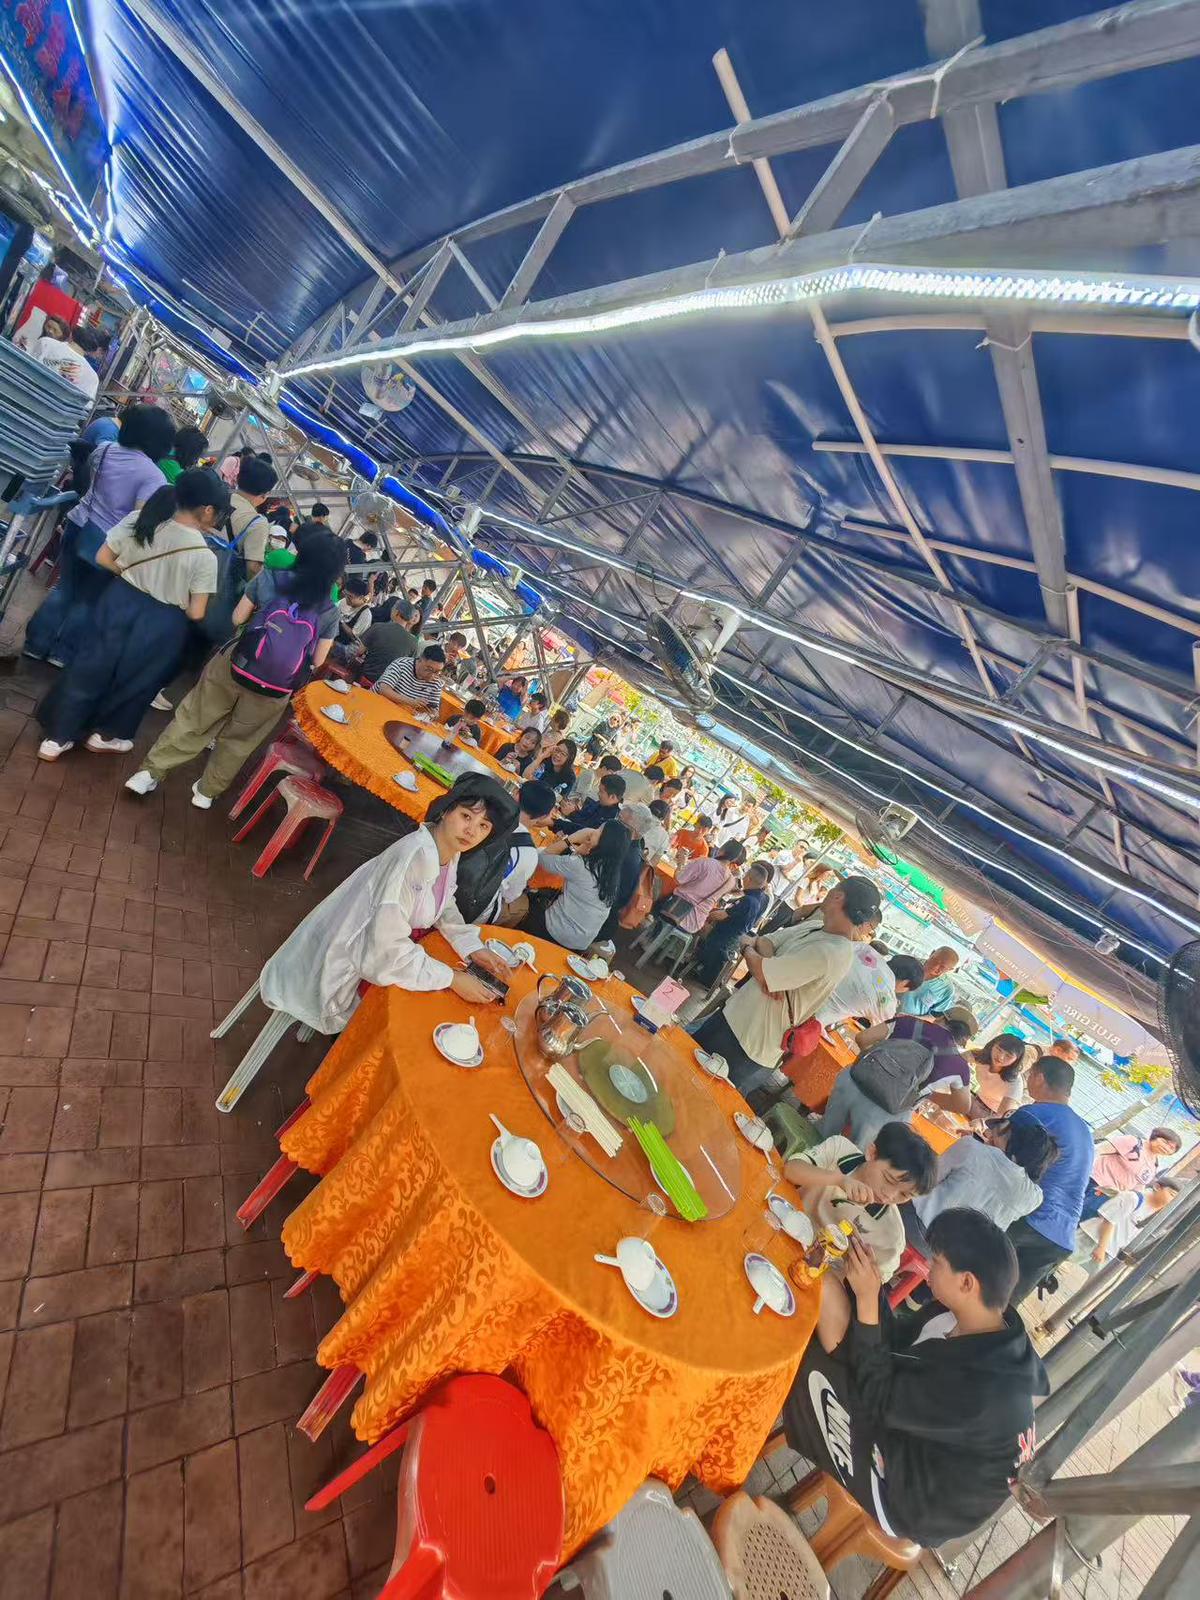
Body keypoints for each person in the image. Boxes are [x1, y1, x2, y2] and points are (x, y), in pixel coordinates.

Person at [783, 1208, 1048, 1548]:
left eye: (936, 1261)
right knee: (830, 1293)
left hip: (906, 1498)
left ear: (967, 1282)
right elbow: (895, 1343)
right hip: (909, 1433)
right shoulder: (968, 1317)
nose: (928, 1266)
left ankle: (740, 1417)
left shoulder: (984, 1392)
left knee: (810, 1357)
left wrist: (867, 1301)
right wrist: (870, 1288)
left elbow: (879, 1398)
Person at [259, 778, 518, 1032]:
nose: (471, 831)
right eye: (466, 816)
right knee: (409, 1023)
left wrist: (472, 946)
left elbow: (443, 901)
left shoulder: (445, 851)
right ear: (446, 810)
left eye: (483, 826)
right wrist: (452, 978)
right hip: (343, 963)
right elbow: (384, 950)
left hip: (374, 952)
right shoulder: (411, 861)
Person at [125, 525, 345, 808]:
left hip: (235, 663)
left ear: (302, 554)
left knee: (194, 719)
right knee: (240, 739)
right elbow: (317, 660)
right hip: (276, 687)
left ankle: (148, 773)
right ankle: (206, 793)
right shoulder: (330, 611)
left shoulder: (271, 578)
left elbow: (238, 617)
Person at [35, 469, 225, 762]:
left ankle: (57, 738)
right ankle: (105, 735)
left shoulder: (141, 520)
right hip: (163, 621)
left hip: (118, 599)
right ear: (208, 509)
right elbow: (196, 611)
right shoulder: (205, 557)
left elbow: (103, 558)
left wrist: (129, 576)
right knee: (137, 679)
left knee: (90, 664)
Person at [691, 877, 882, 1094]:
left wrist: (749, 951)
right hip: (733, 1014)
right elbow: (766, 941)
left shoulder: (833, 952)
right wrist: (772, 970)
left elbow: (761, 967)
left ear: (838, 897)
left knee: (698, 1093)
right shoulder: (816, 927)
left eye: (833, 889)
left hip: (749, 1042)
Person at [24, 402, 175, 666]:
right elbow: (137, 518)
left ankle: (35, 644)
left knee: (64, 588)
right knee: (89, 600)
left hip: (78, 524)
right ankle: (62, 653)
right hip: (109, 543)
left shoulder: (104, 450)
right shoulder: (154, 477)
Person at [785, 1120, 938, 1283]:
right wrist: (839, 1180)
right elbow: (790, 1170)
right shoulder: (840, 1150)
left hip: (812, 1275)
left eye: (905, 1195)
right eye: (888, 1179)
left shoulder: (891, 1236)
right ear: (872, 1153)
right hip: (786, 1227)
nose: (889, 1196)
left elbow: (872, 1285)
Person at [1005, 1057, 1094, 1306]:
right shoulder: (1085, 1130)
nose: (1027, 1079)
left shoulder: (1033, 1114)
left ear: (1039, 1077)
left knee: (969, 1268)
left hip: (1029, 1218)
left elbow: (1001, 1158)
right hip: (1061, 1238)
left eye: (1030, 1074)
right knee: (1005, 1306)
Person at [820, 1007, 976, 1146]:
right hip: (888, 1111)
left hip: (853, 1083)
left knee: (820, 1136)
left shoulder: (907, 1022)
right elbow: (962, 1106)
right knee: (851, 1155)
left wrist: (874, 1066)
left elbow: (862, 1038)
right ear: (963, 1040)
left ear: (942, 1018)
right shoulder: (960, 1067)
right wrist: (927, 1095)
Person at [915, 1116, 1059, 1237]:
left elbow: (927, 1178)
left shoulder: (971, 1148)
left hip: (917, 1224)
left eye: (997, 1131)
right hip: (955, 1255)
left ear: (1009, 1136)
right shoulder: (1033, 1197)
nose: (989, 1134)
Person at [522, 818, 632, 951]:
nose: (593, 831)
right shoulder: (612, 873)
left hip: (555, 932)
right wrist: (581, 849)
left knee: (527, 901)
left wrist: (571, 839)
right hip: (580, 943)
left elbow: (543, 858)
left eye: (599, 830)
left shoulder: (582, 866)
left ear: (605, 841)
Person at [692, 859, 773, 987]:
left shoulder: (748, 900)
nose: (743, 878)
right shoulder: (762, 898)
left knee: (696, 922)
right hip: (734, 940)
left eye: (745, 876)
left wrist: (706, 914)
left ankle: (687, 959)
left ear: (749, 879)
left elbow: (720, 915)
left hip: (721, 939)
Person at [491, 779, 557, 927]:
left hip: (451, 878)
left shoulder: (488, 812)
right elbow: (510, 895)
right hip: (477, 907)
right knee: (522, 904)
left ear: (516, 794)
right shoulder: (529, 854)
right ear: (543, 817)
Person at [1080, 1126, 1182, 1221]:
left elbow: (1138, 1188)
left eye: (1172, 1148)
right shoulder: (1133, 1142)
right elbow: (1098, 1150)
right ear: (1155, 1136)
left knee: (1082, 1216)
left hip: (1108, 1193)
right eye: (1165, 1142)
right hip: (1091, 1179)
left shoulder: (1153, 1166)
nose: (1166, 1148)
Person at [1080, 1176, 1180, 1267]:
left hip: (1110, 1252)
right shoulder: (1133, 1198)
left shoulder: (1158, 1214)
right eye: (1172, 1195)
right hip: (1091, 1240)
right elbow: (1109, 1221)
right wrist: (1101, 1247)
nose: (1173, 1200)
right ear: (1157, 1187)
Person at [816, 949, 925, 1029]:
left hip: (808, 992)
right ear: (905, 983)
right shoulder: (887, 1002)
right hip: (816, 1021)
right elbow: (875, 1033)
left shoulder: (865, 951)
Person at [668, 838, 745, 934]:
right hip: (695, 923)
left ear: (722, 850)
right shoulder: (731, 881)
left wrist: (680, 863)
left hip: (674, 912)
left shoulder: (705, 862)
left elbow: (679, 879)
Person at [225, 455, 278, 580]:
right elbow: (253, 569)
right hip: (217, 578)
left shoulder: (219, 497)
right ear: (264, 495)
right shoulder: (257, 523)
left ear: (238, 478)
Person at [31, 317, 103, 398]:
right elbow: (85, 404)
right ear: (91, 350)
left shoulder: (45, 343)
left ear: (71, 335)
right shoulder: (92, 378)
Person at [374, 644, 446, 717]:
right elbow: (383, 689)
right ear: (420, 659)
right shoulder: (402, 664)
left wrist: (432, 713)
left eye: (437, 672)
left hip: (401, 715)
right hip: (378, 705)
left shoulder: (436, 682)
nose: (432, 675)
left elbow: (434, 711)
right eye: (429, 669)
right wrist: (411, 701)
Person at [969, 1033, 1031, 1117]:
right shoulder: (981, 1056)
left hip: (991, 1116)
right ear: (992, 1046)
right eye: (998, 1049)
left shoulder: (1014, 1082)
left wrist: (982, 1123)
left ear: (1016, 1060)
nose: (1001, 1057)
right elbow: (955, 1059)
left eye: (1008, 1056)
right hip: (974, 1100)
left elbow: (1001, 1116)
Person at [359, 598, 420, 681]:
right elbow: (409, 669)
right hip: (388, 683)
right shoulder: (413, 642)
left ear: (397, 612)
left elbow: (359, 651)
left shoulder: (378, 627)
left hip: (366, 677)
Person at [554, 771, 625, 835]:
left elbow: (587, 832)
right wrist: (572, 809)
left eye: (601, 791)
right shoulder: (601, 803)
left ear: (612, 797)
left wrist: (571, 814)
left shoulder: (612, 819)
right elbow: (583, 815)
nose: (598, 793)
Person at [897, 947, 960, 1016]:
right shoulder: (909, 963)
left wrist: (910, 1018)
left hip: (906, 1020)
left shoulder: (946, 989)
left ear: (949, 969)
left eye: (942, 967)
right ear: (932, 953)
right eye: (935, 960)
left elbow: (936, 1017)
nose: (935, 966)